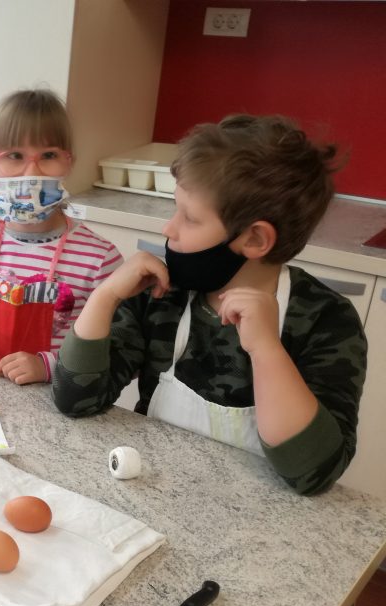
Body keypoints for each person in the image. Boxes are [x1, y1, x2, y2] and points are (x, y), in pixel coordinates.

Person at [52, 114, 367, 495]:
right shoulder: (162, 294)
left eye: (190, 217)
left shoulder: (325, 320)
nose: (168, 229)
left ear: (254, 239)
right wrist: (105, 297)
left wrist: (266, 350)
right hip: (152, 493)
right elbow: (75, 399)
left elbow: (313, 474)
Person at [0, 89, 122, 385]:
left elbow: (112, 354)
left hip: (54, 402)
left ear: (69, 162)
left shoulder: (100, 260)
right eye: (14, 156)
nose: (31, 171)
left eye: (48, 155)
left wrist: (48, 366)